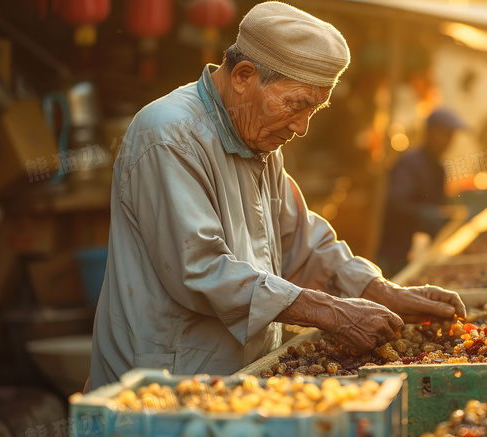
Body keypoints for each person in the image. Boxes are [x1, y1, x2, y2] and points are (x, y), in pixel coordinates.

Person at [87, 2, 465, 390]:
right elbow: (201, 269)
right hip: (161, 386)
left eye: (314, 110)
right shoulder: (170, 135)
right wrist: (332, 312)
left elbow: (299, 240)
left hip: (233, 378)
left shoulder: (257, 138)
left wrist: (381, 291)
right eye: (297, 105)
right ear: (243, 76)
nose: (302, 127)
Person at [377, 108, 466, 276]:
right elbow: (394, 202)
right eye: (445, 134)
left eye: (451, 136)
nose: (449, 141)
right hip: (396, 248)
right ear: (430, 133)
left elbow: (439, 203)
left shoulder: (439, 168)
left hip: (419, 248)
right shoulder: (410, 163)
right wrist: (423, 213)